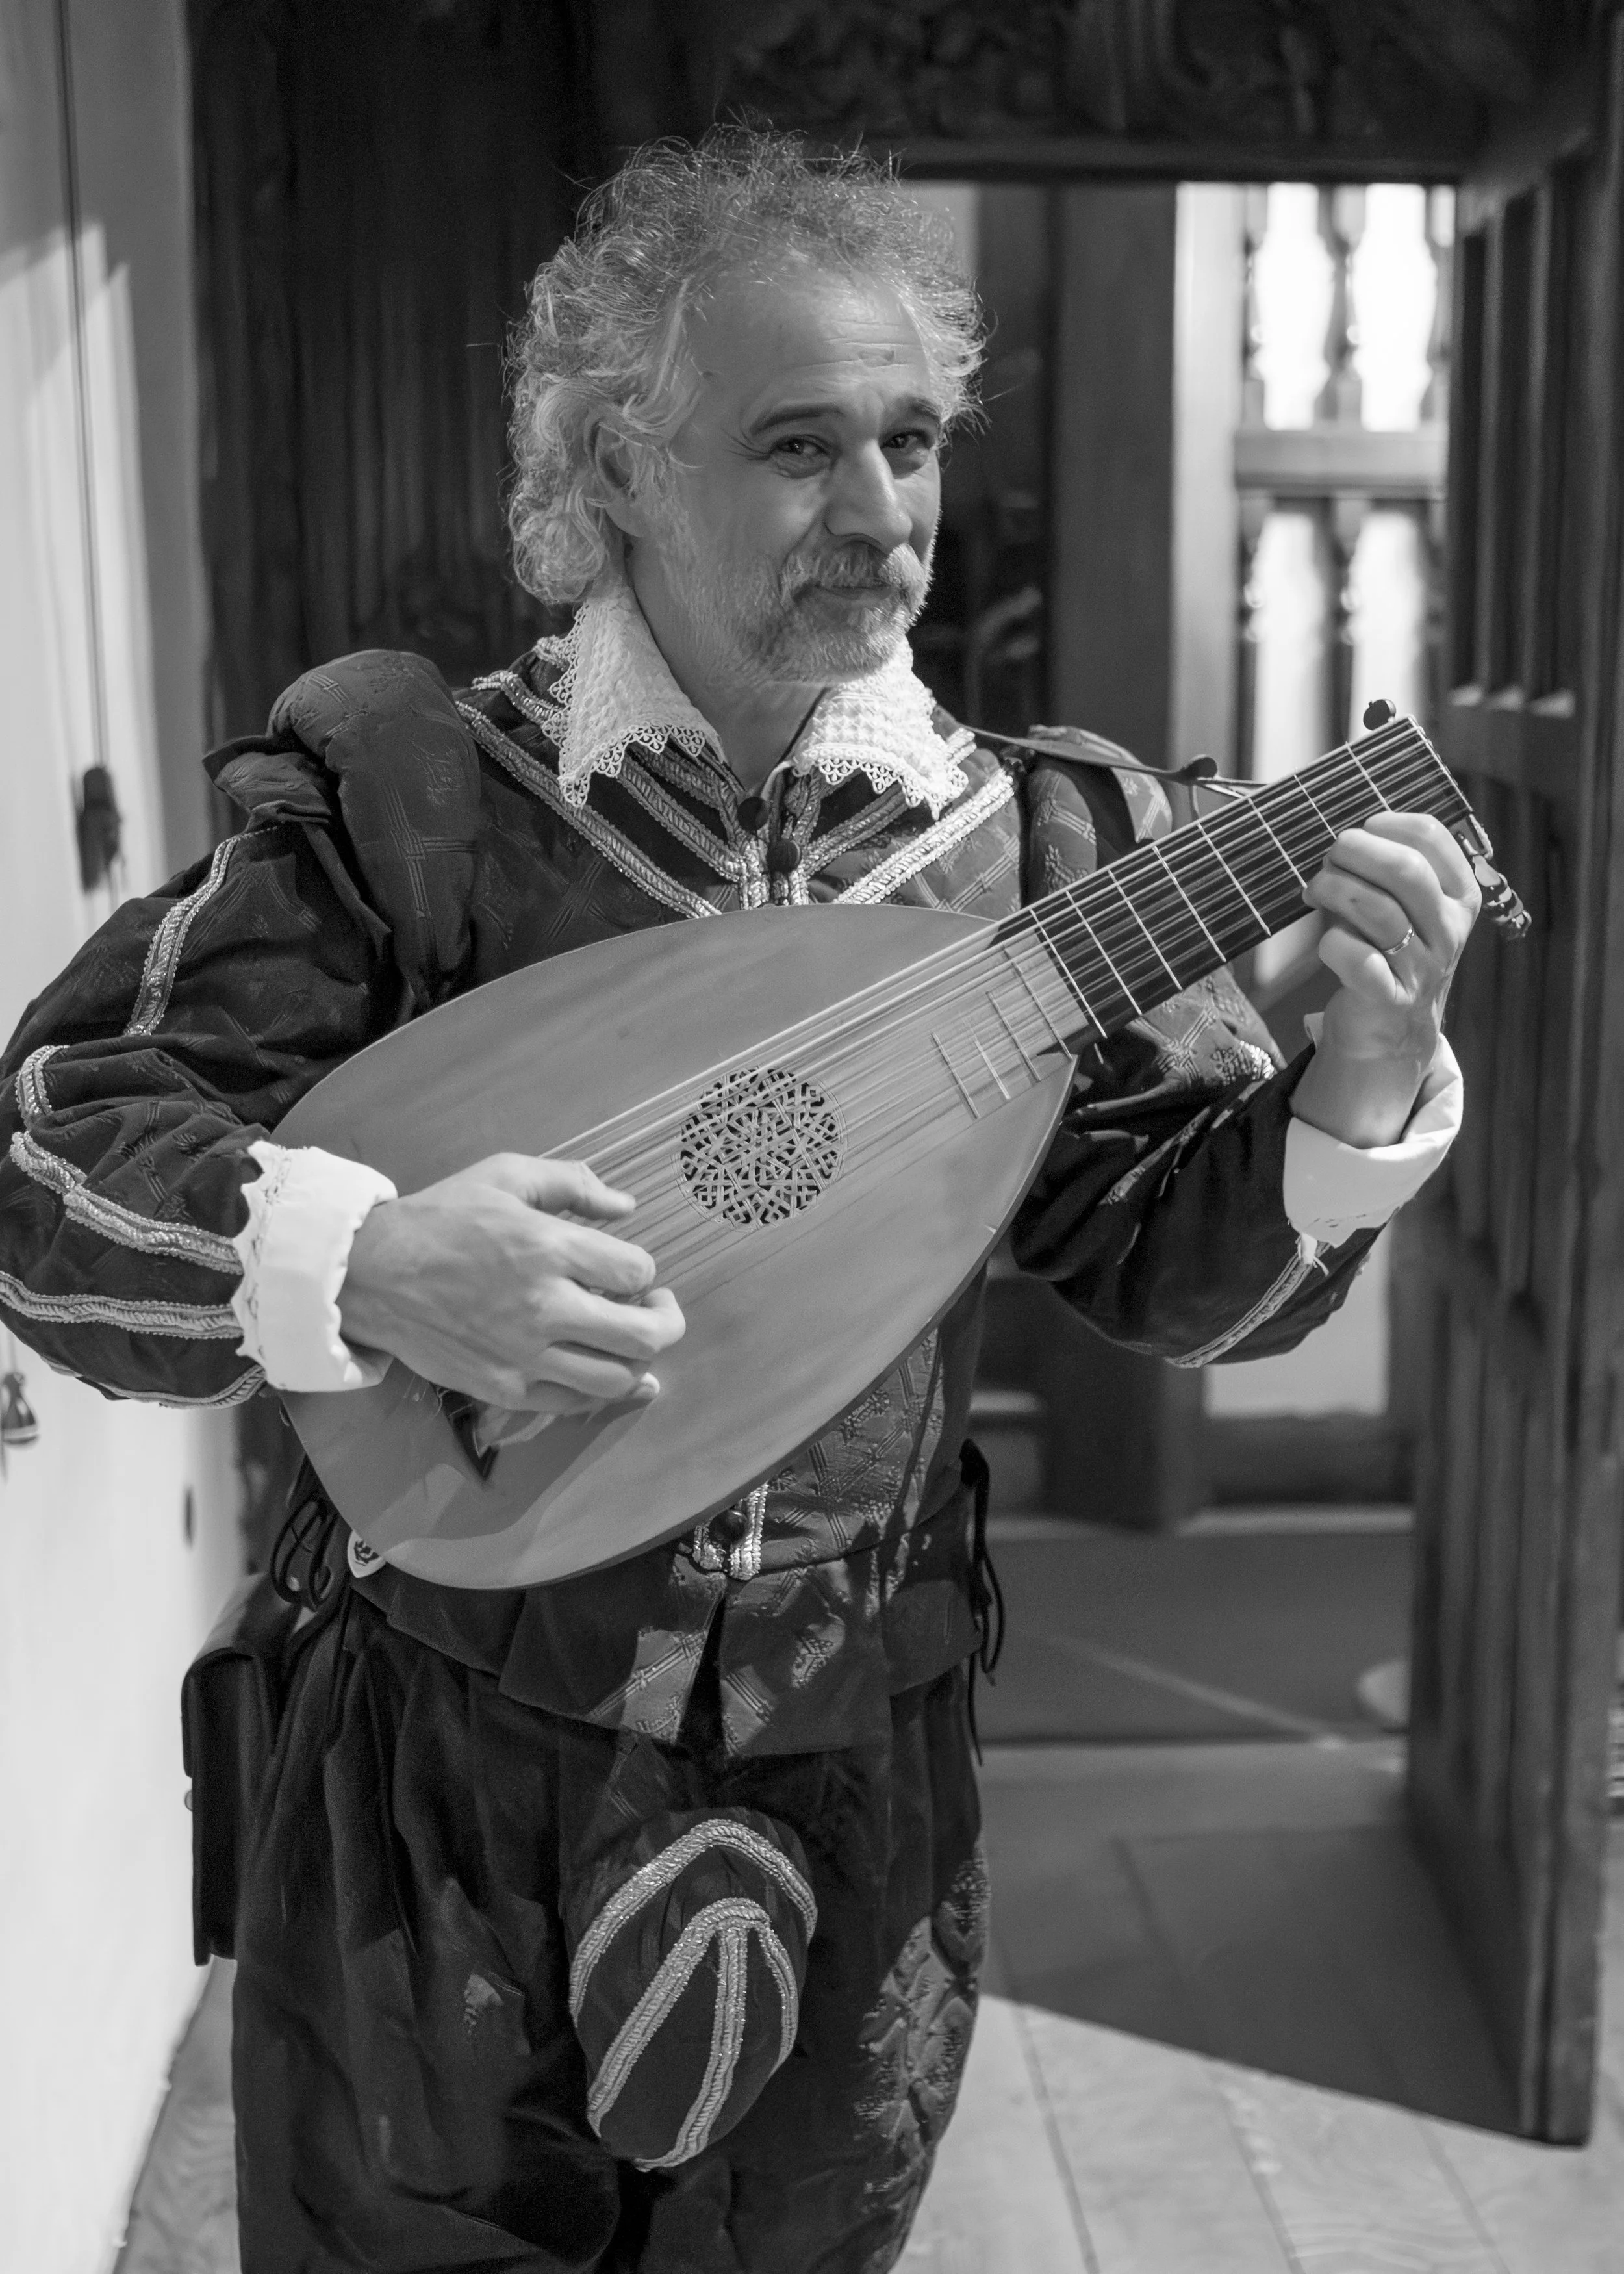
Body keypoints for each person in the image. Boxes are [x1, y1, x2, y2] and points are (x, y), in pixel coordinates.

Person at [0, 131, 1477, 2273]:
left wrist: (1356, 1077)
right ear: (613, 468)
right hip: (448, 1771)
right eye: (797, 446)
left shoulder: (1048, 848)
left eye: (907, 439)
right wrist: (371, 1256)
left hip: (854, 1765)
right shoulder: (415, 799)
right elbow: (51, 1154)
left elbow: (1167, 1263)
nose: (879, 515)